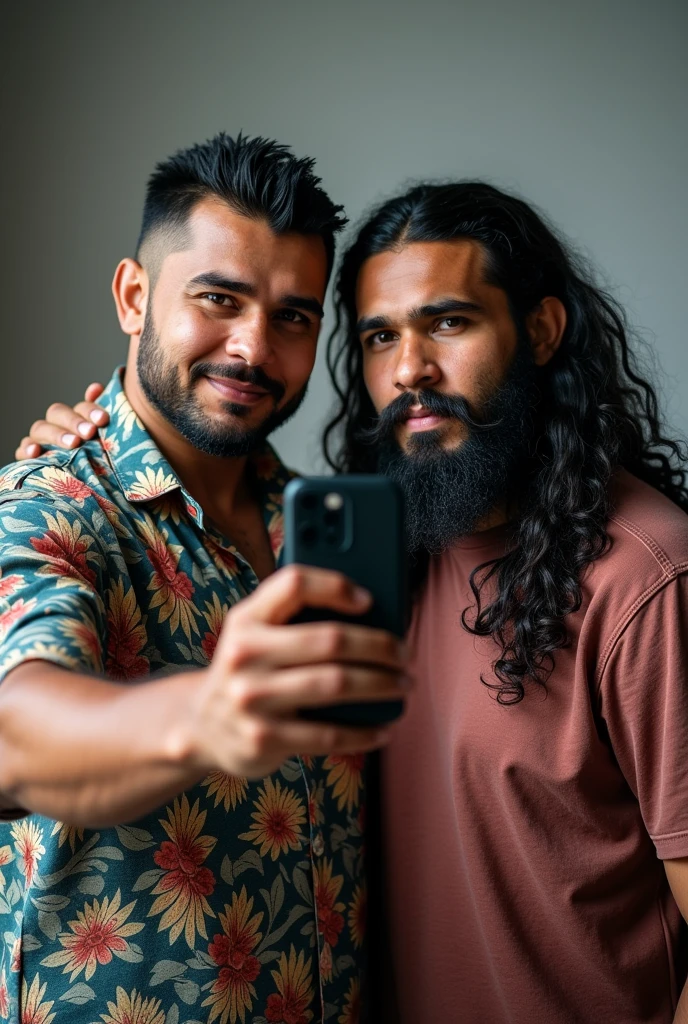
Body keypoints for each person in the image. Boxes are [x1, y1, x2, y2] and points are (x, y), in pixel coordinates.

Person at [32, 180, 688, 1023]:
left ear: (542, 329)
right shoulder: (371, 552)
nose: (410, 369)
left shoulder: (646, 579)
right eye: (381, 336)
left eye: (448, 322)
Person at [0, 134, 408, 1024]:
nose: (254, 348)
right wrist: (206, 716)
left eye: (293, 316)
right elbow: (14, 734)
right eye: (219, 300)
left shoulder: (314, 525)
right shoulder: (48, 501)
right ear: (135, 297)